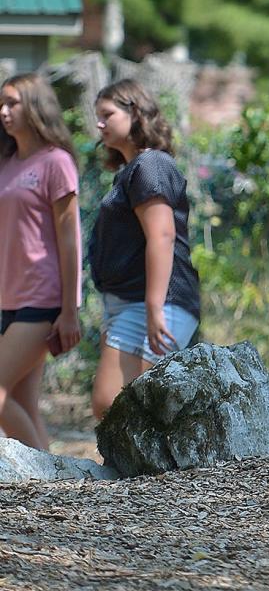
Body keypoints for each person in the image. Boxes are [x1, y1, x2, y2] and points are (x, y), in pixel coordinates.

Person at [89, 80, 201, 420]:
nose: (99, 124)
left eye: (107, 114)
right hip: (129, 302)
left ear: (134, 113)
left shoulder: (150, 165)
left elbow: (162, 235)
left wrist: (155, 308)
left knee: (117, 405)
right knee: (118, 408)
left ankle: (166, 474)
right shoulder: (130, 171)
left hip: (152, 302)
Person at [0, 73, 81, 450]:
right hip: (8, 299)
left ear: (34, 106)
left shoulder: (56, 162)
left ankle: (40, 483)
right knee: (23, 405)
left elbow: (70, 238)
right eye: (1, 103)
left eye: (12, 102)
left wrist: (70, 310)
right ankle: (55, 486)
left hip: (42, 297)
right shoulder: (8, 162)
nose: (4, 111)